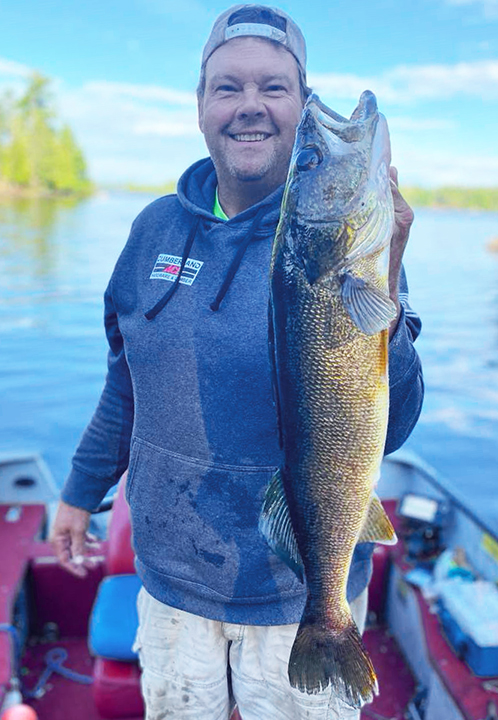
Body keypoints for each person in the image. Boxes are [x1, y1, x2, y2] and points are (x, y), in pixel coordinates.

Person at [50, 5, 424, 719]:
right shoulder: (153, 228)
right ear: (200, 106)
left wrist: (390, 287)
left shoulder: (356, 258)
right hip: (170, 586)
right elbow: (124, 383)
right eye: (228, 87)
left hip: (298, 591)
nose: (250, 106)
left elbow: (393, 422)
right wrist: (77, 492)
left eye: (275, 88)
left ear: (297, 101)